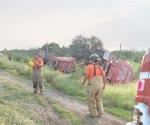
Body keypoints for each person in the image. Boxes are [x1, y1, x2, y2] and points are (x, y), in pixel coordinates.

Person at [82, 54, 106, 118]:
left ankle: (93, 113)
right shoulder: (100, 68)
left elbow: (86, 76)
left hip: (92, 85)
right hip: (100, 85)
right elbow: (104, 77)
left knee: (91, 99)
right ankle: (100, 112)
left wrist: (83, 82)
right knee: (99, 99)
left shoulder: (89, 67)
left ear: (91, 60)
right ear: (97, 60)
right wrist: (104, 85)